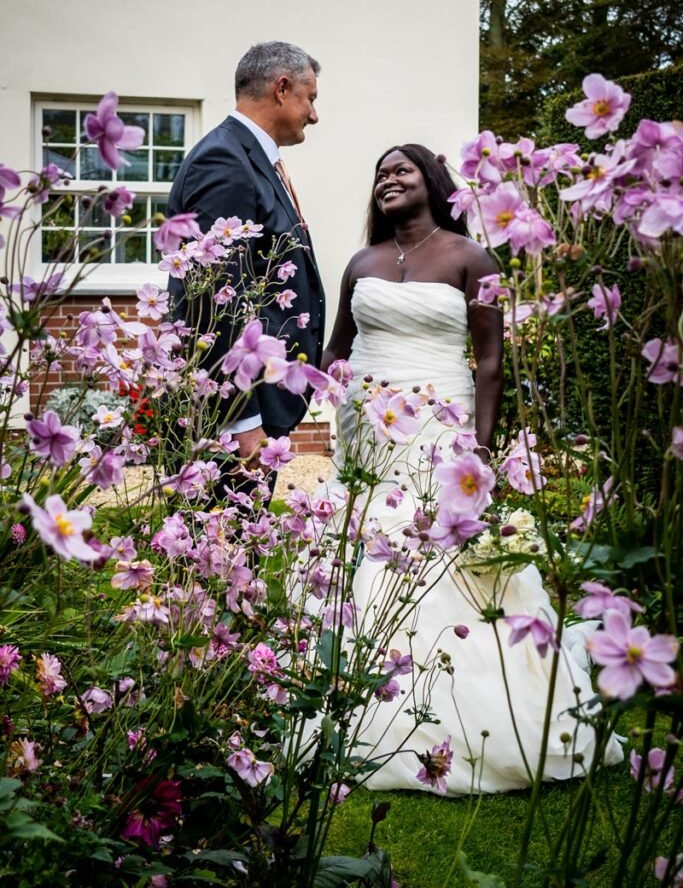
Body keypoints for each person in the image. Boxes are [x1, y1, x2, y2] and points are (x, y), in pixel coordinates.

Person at [320, 144, 622, 794]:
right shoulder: (360, 263)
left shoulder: (470, 257)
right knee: (369, 551)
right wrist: (326, 401)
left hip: (439, 424)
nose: (388, 180)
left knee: (438, 554)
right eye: (379, 173)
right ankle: (361, 700)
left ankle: (459, 713)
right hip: (365, 432)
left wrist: (480, 446)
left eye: (400, 169)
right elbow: (336, 349)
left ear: (431, 181)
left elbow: (489, 361)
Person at [165, 41, 325, 481]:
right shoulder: (225, 161)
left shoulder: (253, 159)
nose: (314, 114)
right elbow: (212, 298)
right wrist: (241, 421)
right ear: (282, 88)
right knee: (224, 544)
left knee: (242, 549)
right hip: (233, 417)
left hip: (254, 402)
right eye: (310, 98)